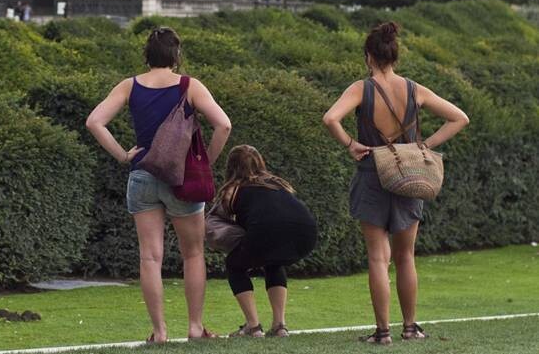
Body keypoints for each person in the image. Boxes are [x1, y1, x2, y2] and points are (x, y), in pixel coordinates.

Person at [323, 22, 469, 344]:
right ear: (395, 56)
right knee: (406, 257)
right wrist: (425, 146)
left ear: (368, 57)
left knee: (378, 257)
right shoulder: (415, 89)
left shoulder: (362, 88)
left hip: (372, 171)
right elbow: (460, 117)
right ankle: (410, 327)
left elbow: (330, 118)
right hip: (410, 175)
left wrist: (350, 144)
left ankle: (383, 332)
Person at [86, 27, 231, 343]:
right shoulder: (190, 86)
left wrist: (124, 155)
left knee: (150, 257)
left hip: (143, 176)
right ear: (176, 55)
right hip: (182, 180)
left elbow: (94, 121)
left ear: (147, 55)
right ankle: (194, 327)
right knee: (193, 254)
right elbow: (224, 125)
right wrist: (206, 162)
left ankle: (160, 332)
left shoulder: (130, 86)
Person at [219, 145, 318, 338]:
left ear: (231, 166)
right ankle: (280, 325)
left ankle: (253, 327)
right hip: (306, 234)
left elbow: (227, 222)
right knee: (274, 263)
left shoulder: (232, 190)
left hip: (266, 232)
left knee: (234, 265)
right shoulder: (278, 183)